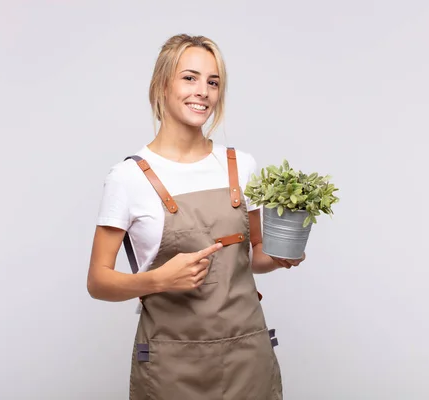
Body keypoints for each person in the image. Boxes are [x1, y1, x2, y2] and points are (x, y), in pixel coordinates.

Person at [87, 33, 306, 400]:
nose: (202, 91)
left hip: (247, 359)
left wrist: (283, 256)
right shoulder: (128, 178)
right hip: (172, 368)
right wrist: (157, 280)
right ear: (162, 84)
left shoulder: (241, 166)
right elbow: (98, 281)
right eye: (190, 77)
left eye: (213, 82)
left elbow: (254, 255)